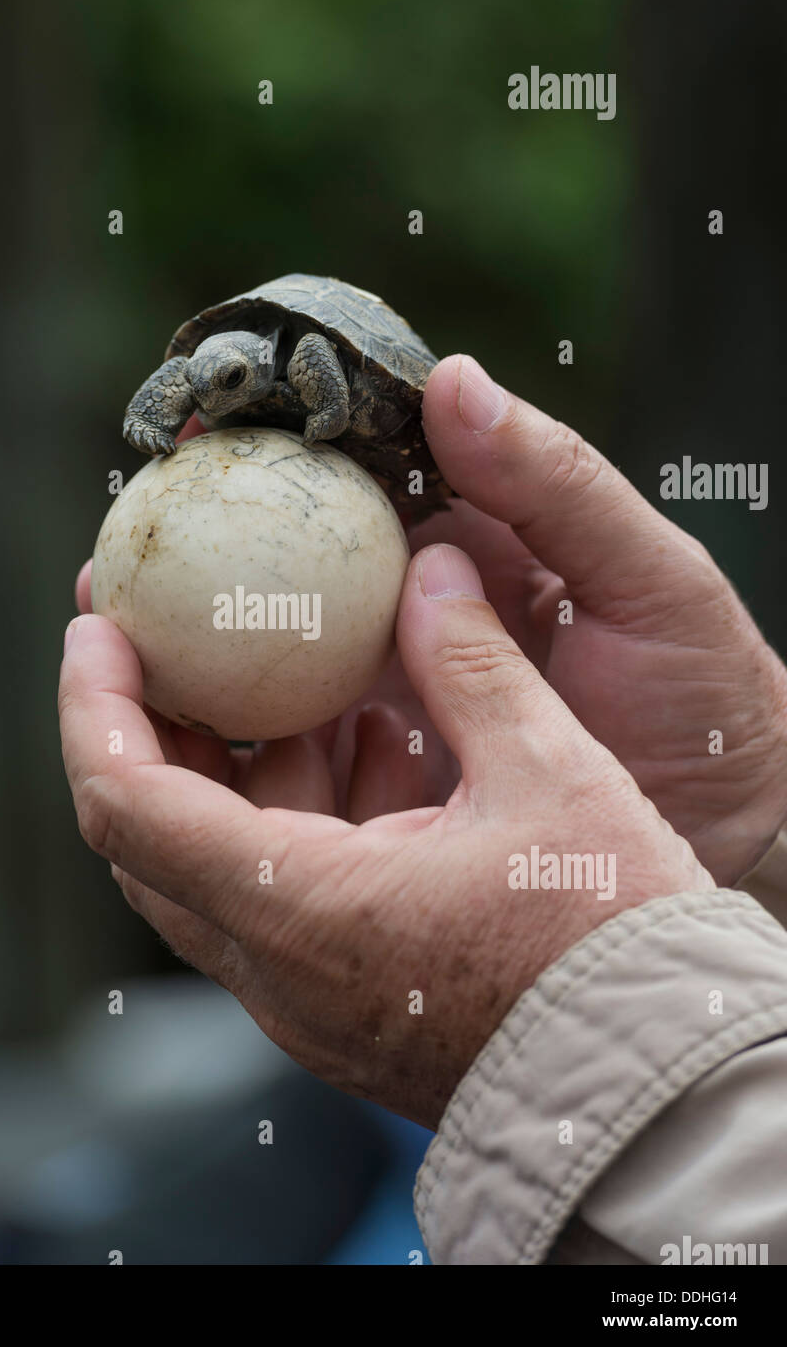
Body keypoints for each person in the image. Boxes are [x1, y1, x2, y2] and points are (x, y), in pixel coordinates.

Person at [59, 354, 787, 1265]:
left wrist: (544, 1001)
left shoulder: (309, 375)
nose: (216, 386)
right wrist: (751, 821)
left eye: (239, 370)